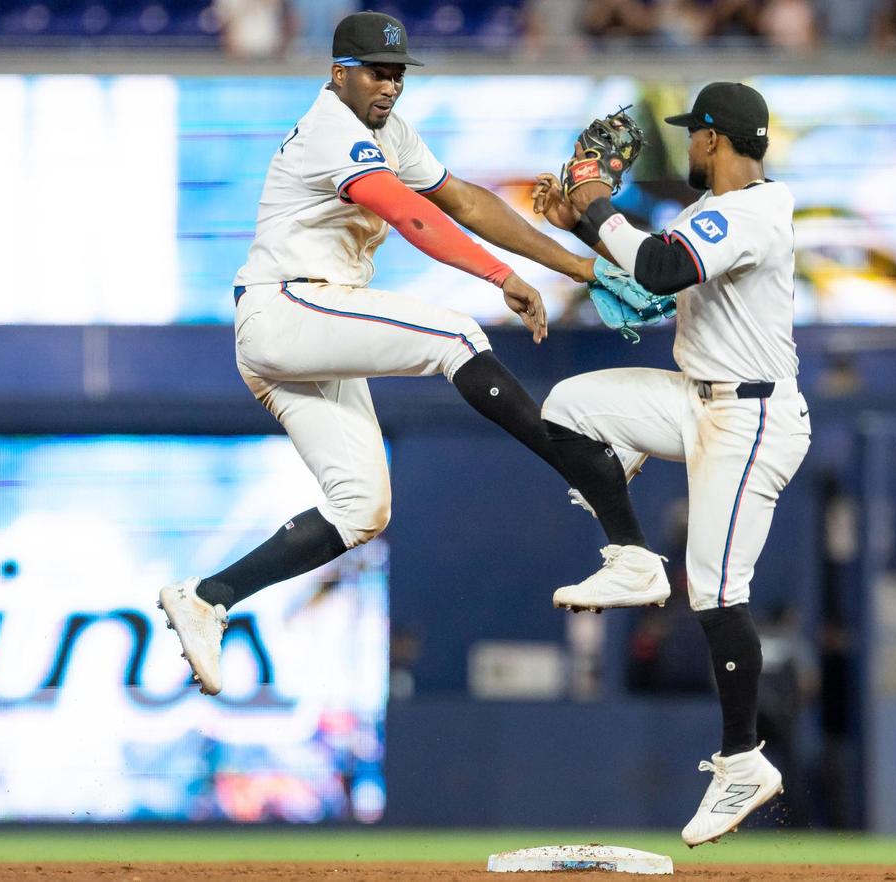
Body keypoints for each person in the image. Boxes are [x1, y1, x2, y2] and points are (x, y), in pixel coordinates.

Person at [158, 10, 598, 696]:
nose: (389, 85)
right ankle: (574, 461)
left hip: (308, 330)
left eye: (396, 72)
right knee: (456, 336)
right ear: (339, 74)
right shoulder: (334, 129)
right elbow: (410, 214)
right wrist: (501, 276)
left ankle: (209, 598)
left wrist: (570, 265)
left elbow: (464, 201)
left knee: (363, 508)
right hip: (287, 307)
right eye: (375, 71)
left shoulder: (385, 128)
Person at [533, 82, 811, 846]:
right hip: (701, 397)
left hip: (752, 414)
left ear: (715, 139)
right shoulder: (713, 215)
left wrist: (594, 199)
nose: (688, 145)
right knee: (568, 407)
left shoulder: (748, 211)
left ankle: (743, 760)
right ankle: (629, 556)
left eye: (695, 133)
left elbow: (657, 269)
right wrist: (584, 227)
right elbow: (653, 289)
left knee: (718, 591)